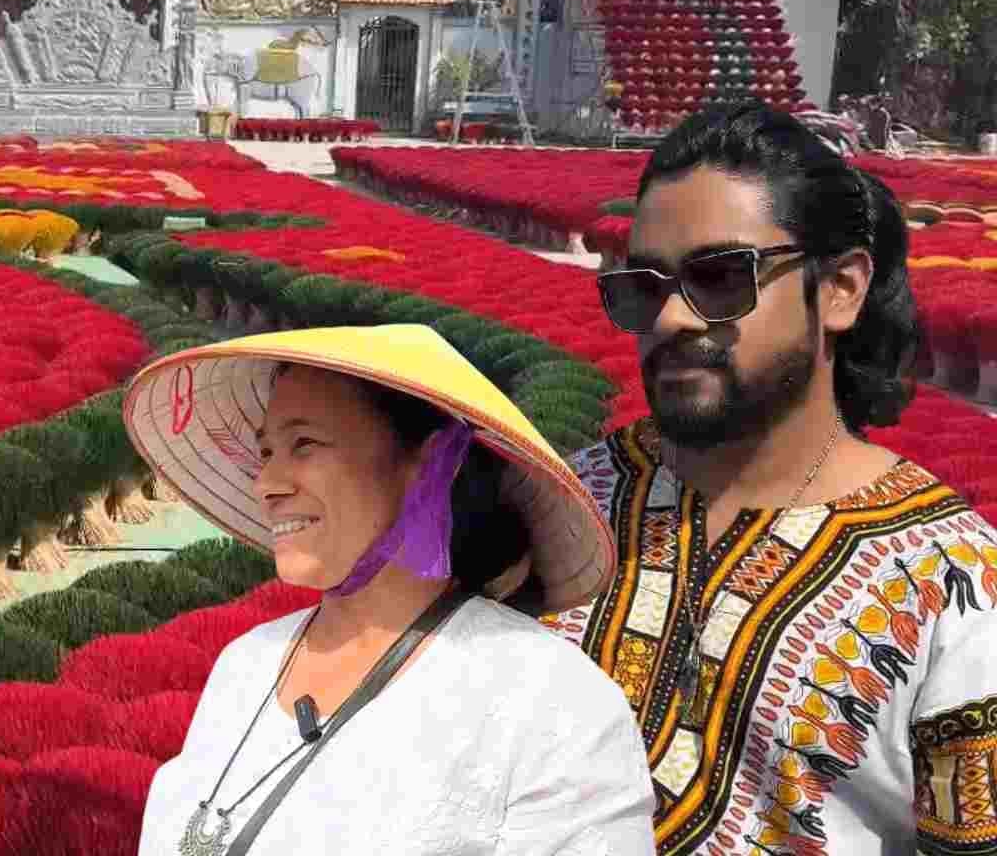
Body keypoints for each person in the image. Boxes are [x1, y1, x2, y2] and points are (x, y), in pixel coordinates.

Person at [537, 101, 997, 853]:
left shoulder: (955, 586)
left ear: (842, 288)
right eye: (643, 287)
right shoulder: (557, 506)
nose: (675, 319)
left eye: (722, 278)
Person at [122, 325, 657, 855]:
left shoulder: (547, 699)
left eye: (303, 444)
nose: (268, 483)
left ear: (429, 459)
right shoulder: (245, 665)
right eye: (266, 452)